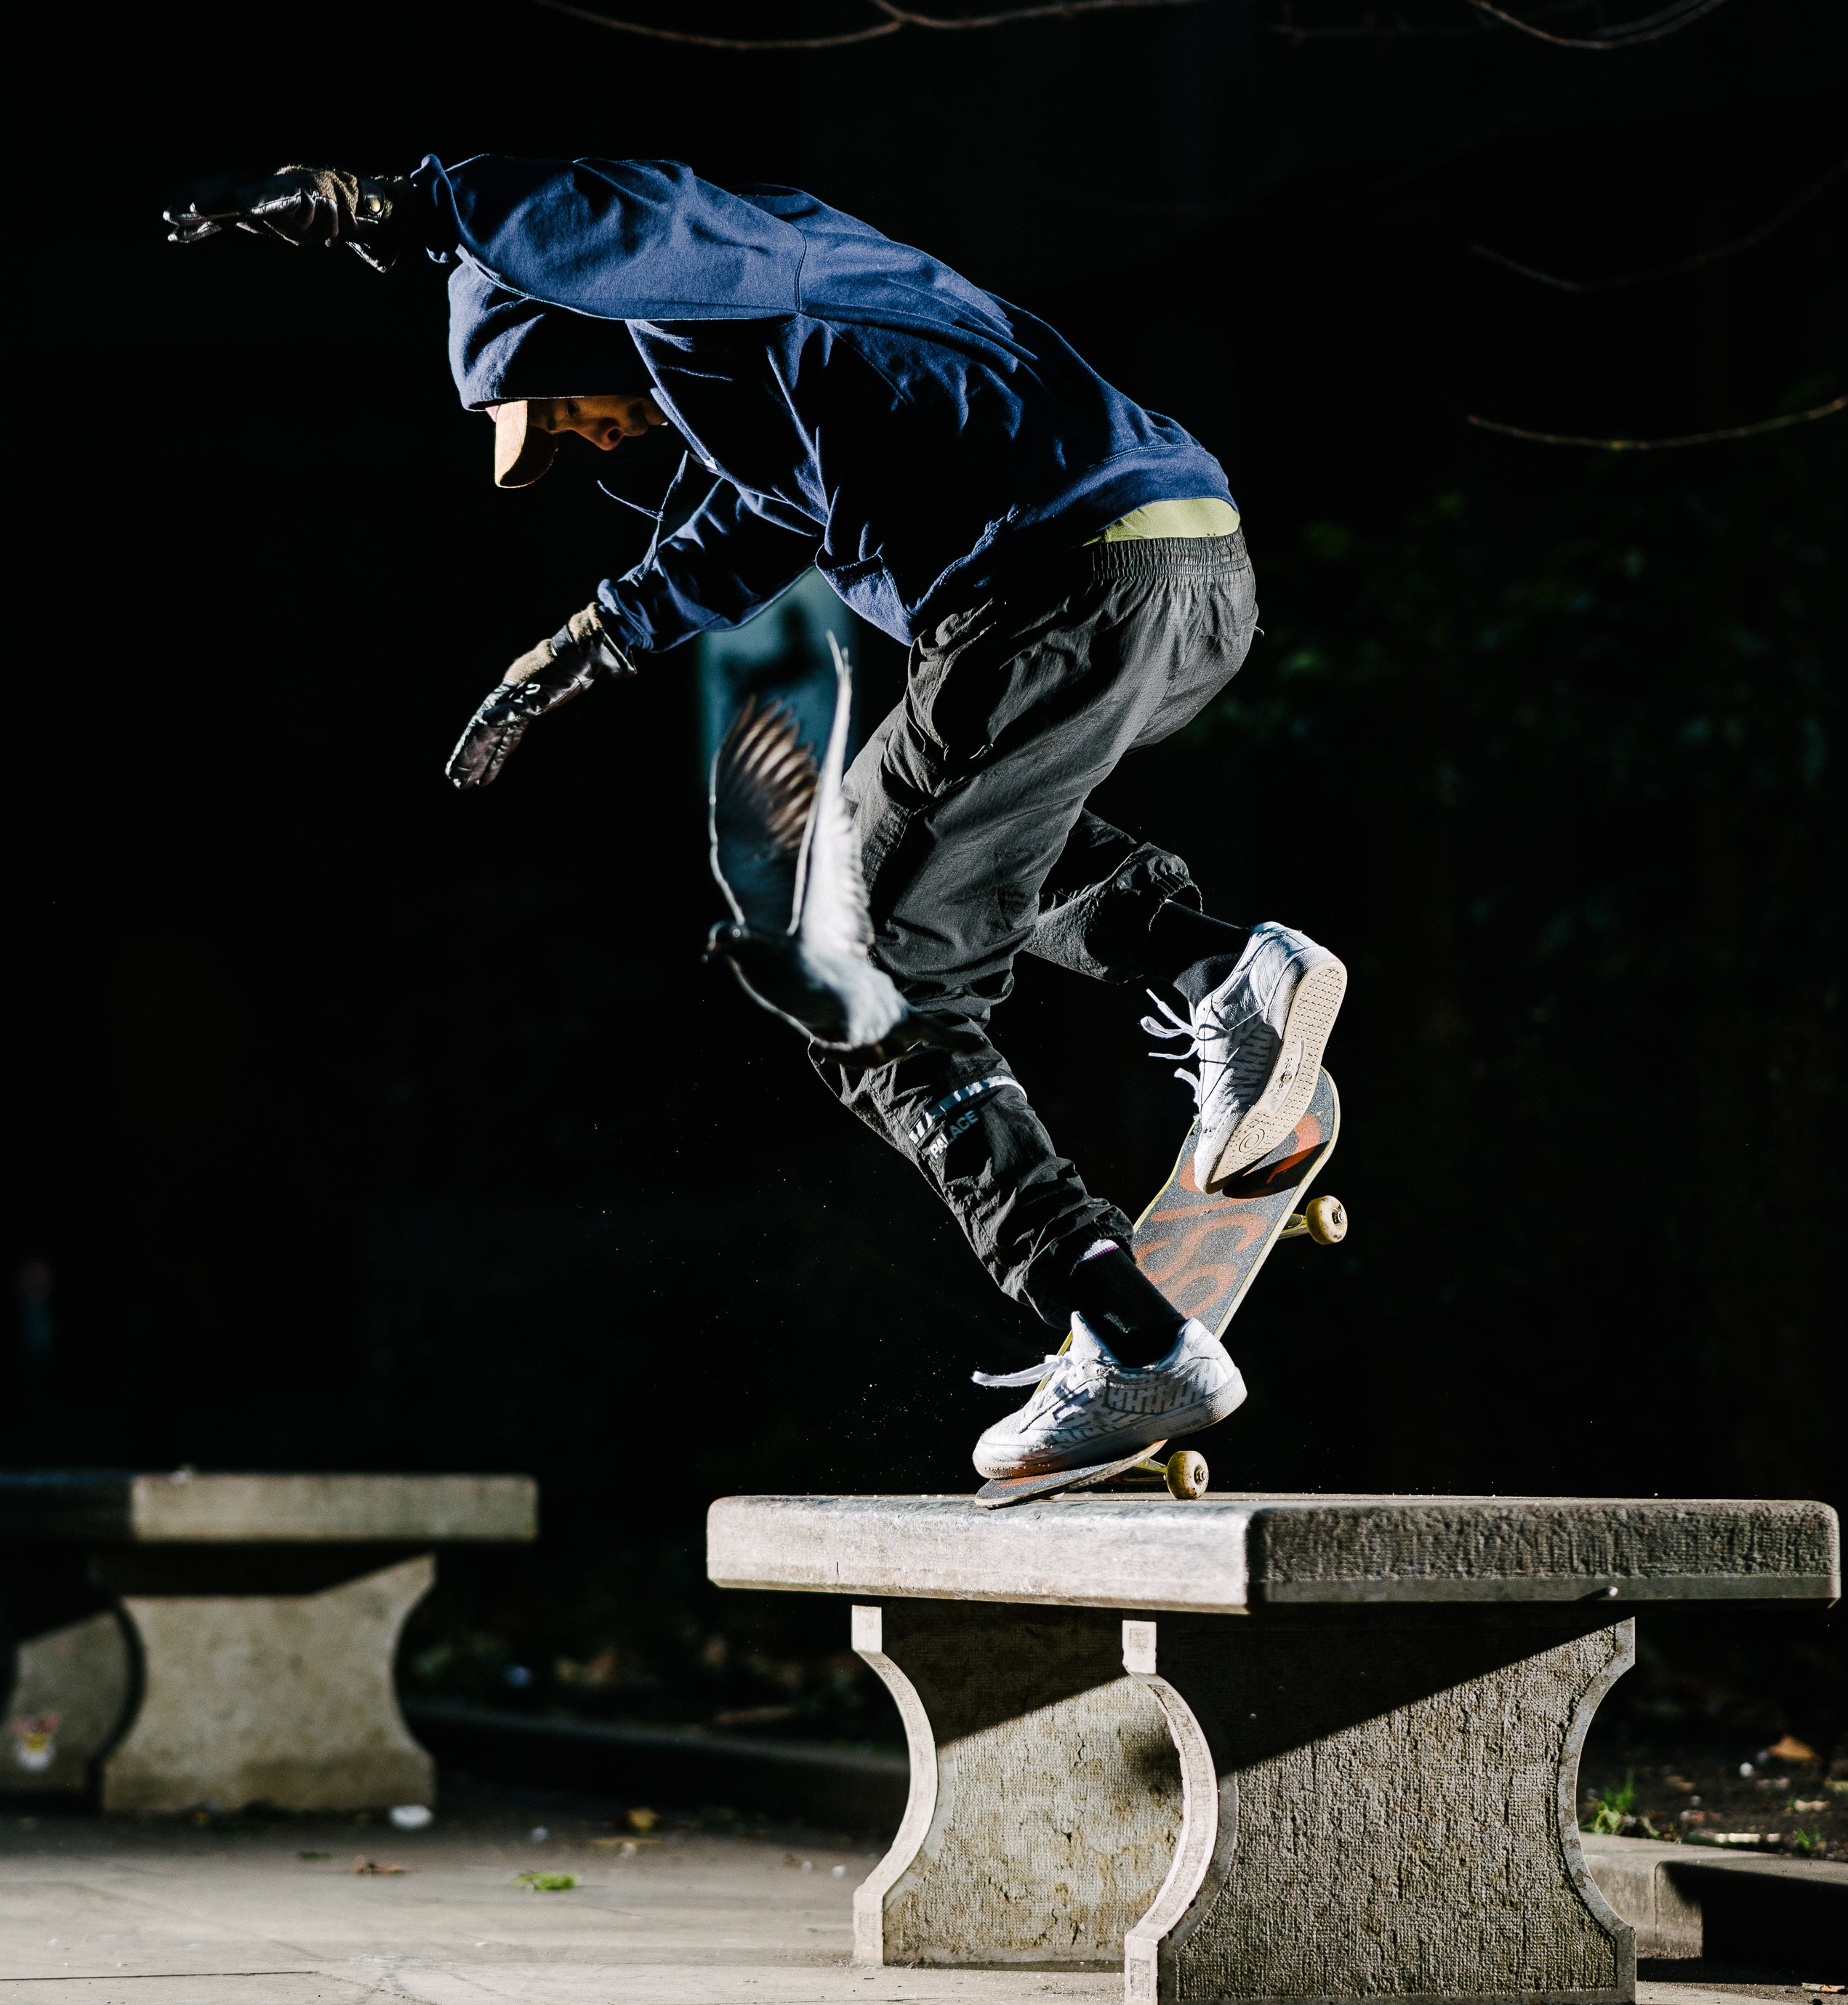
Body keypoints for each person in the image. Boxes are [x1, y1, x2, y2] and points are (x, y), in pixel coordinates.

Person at [164, 157, 1346, 1483]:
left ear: (585, 318)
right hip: (1181, 573)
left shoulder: (701, 290)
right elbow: (756, 521)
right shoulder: (777, 358)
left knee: (859, 970)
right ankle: (1224, 971)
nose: (584, 443)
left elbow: (636, 211)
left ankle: (1126, 1334)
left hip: (1046, 583)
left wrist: (384, 208)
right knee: (896, 831)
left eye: (561, 412)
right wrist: (581, 648)